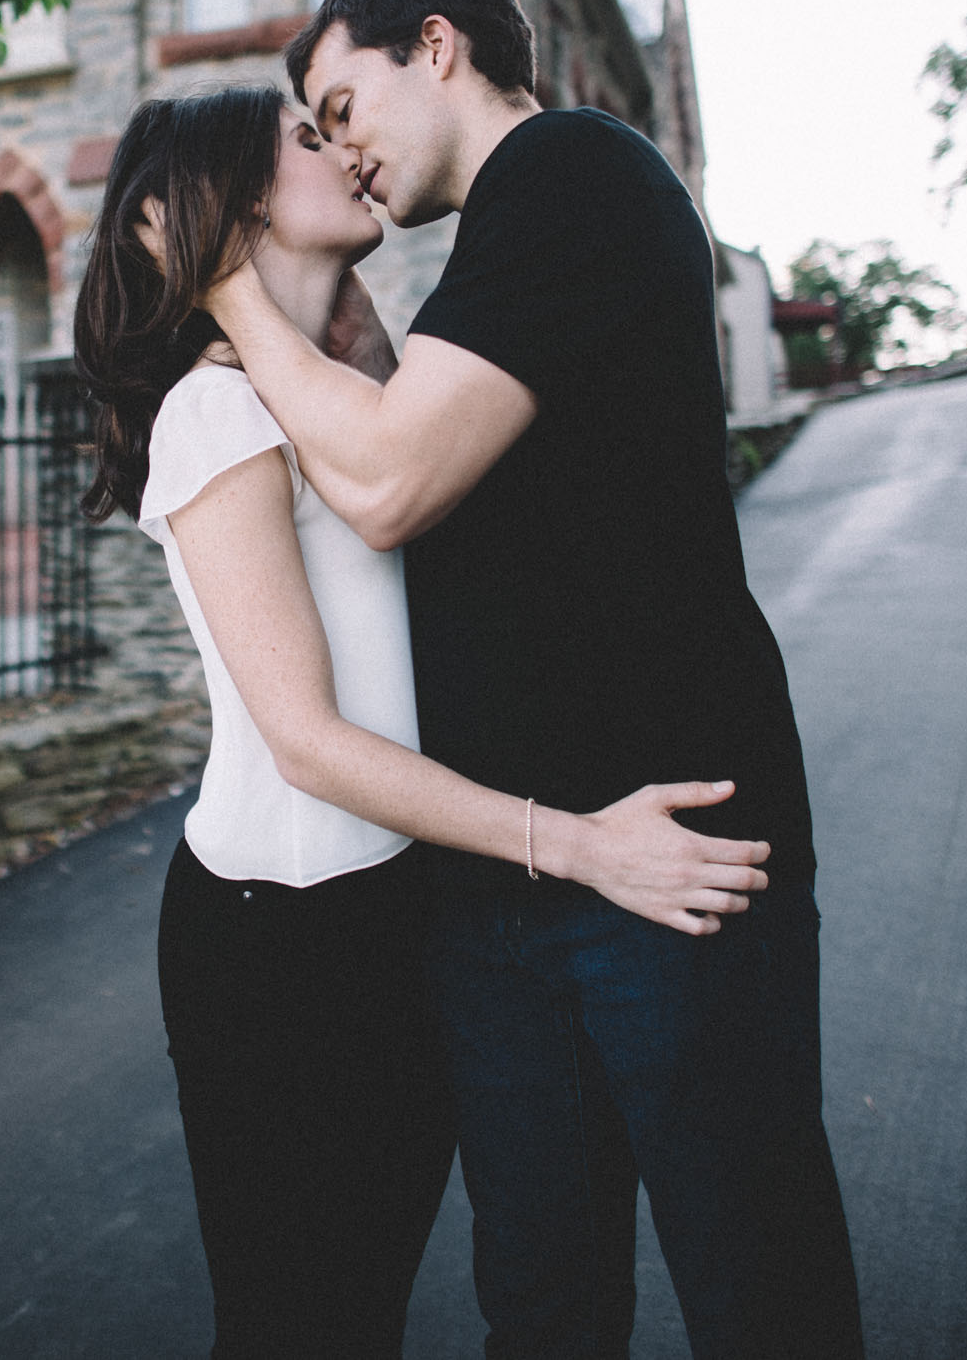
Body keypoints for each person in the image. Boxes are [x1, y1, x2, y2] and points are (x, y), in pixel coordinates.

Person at [198, 0, 866, 1358]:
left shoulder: (575, 172)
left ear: (433, 43)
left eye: (339, 103)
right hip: (500, 894)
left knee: (757, 1288)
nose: (340, 151)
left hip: (670, 860)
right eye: (310, 133)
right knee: (546, 1309)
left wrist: (226, 290)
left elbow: (382, 486)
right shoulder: (491, 257)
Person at [72, 86, 774, 1359]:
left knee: (374, 1301)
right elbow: (308, 741)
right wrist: (580, 844)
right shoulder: (213, 412)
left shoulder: (341, 397)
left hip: (401, 915)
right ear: (229, 206)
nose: (341, 148)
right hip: (276, 942)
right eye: (304, 136)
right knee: (305, 1324)